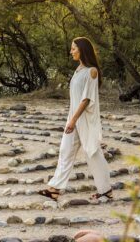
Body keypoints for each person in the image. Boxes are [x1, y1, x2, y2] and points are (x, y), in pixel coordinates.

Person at [38, 37, 112, 202]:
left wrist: (73, 120)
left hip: (84, 119)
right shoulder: (78, 69)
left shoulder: (92, 71)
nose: (71, 51)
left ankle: (106, 190)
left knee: (93, 153)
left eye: (73, 49)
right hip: (73, 117)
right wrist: (71, 119)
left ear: (82, 50)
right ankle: (55, 189)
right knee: (65, 150)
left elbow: (86, 99)